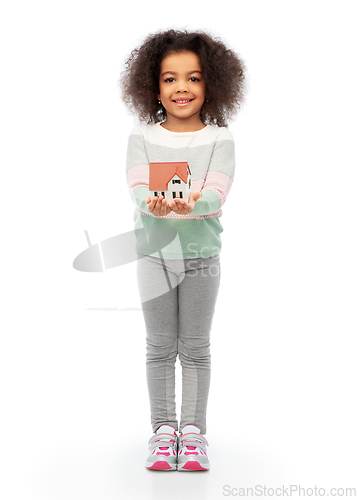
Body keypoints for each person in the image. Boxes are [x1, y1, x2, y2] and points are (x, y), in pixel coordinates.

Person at [119, 29, 246, 471]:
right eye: (170, 79)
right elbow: (138, 187)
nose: (182, 88)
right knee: (159, 346)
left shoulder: (219, 139)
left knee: (194, 346)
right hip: (153, 256)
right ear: (153, 86)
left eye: (193, 78)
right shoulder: (142, 136)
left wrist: (194, 200)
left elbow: (217, 191)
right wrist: (150, 202)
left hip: (202, 259)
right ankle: (162, 432)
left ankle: (192, 434)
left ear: (211, 84)